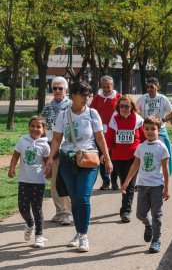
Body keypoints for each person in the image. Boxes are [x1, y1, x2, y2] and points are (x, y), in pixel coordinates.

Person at [45, 81, 113, 252]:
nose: (86, 98)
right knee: (74, 199)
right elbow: (57, 139)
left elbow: (99, 138)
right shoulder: (62, 115)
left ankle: (83, 235)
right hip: (68, 162)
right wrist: (51, 158)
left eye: (88, 94)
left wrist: (107, 157)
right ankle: (78, 233)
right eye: (82, 94)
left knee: (83, 197)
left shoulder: (92, 113)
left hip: (88, 160)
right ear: (73, 95)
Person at [121, 116, 170, 254]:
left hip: (156, 186)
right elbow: (135, 164)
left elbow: (165, 170)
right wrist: (126, 181)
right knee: (140, 213)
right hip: (142, 186)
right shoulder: (141, 147)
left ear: (158, 130)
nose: (149, 132)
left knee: (157, 214)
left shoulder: (162, 147)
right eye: (147, 129)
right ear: (143, 130)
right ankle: (148, 225)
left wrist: (167, 188)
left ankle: (156, 240)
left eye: (153, 129)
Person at [8, 116, 50, 248]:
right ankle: (30, 224)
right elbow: (15, 156)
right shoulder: (22, 140)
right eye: (32, 125)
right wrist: (12, 168)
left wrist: (50, 173)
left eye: (39, 126)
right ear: (28, 127)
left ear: (43, 130)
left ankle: (39, 236)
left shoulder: (44, 144)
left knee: (37, 208)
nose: (35, 128)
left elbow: (47, 162)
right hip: (24, 181)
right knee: (23, 208)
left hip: (38, 181)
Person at [105, 95, 146, 223]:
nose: (124, 109)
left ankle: (126, 211)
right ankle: (125, 206)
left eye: (127, 106)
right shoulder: (114, 120)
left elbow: (144, 138)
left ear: (131, 107)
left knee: (129, 185)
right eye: (121, 106)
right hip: (118, 157)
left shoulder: (138, 120)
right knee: (124, 181)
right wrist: (105, 154)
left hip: (134, 157)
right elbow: (109, 139)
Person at [41, 76, 72, 225]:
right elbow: (43, 126)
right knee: (53, 180)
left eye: (61, 88)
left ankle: (67, 212)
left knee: (65, 179)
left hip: (67, 147)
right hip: (50, 145)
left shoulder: (71, 105)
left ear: (66, 90)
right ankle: (59, 211)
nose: (58, 91)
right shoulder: (47, 106)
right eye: (55, 88)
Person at [136, 77, 172, 175]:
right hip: (145, 130)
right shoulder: (143, 98)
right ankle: (145, 173)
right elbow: (135, 110)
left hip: (160, 130)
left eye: (152, 87)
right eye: (148, 87)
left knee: (166, 150)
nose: (149, 89)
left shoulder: (162, 98)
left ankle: (166, 173)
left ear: (157, 86)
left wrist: (162, 120)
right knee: (144, 152)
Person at [90, 75, 120, 190]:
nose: (106, 89)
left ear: (113, 85)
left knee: (114, 157)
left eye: (109, 87)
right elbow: (91, 112)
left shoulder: (118, 97)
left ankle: (114, 180)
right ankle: (105, 180)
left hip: (114, 132)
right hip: (100, 133)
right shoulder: (97, 97)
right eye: (104, 87)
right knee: (102, 158)